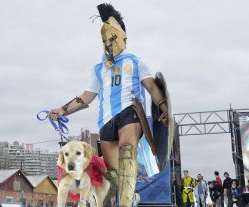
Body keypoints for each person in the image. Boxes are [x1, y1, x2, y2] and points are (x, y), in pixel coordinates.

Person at [49, 4, 169, 207]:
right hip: (105, 121)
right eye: (104, 40)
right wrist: (62, 110)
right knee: (113, 173)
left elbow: (152, 87)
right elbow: (87, 96)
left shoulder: (137, 62)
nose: (108, 43)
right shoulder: (98, 68)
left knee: (128, 151)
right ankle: (130, 196)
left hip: (130, 112)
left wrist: (163, 106)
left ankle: (125, 203)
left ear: (123, 37)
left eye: (112, 38)